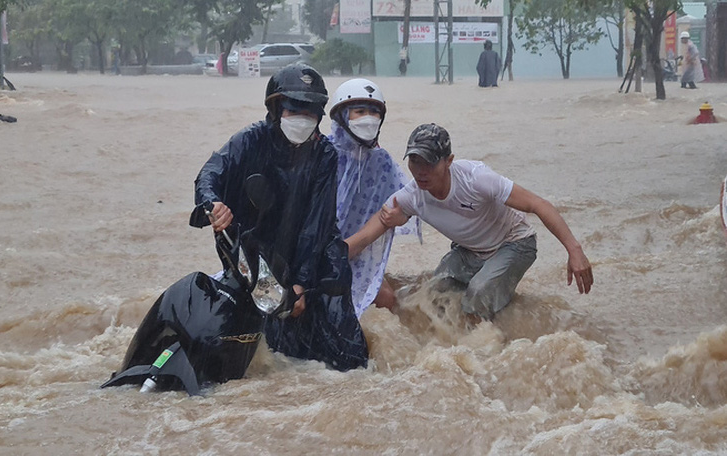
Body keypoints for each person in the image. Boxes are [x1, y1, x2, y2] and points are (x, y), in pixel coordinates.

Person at [192, 63, 368, 371]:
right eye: (294, 110)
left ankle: (349, 368)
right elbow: (210, 174)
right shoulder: (249, 140)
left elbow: (317, 222)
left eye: (310, 113)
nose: (302, 119)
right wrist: (213, 204)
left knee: (335, 274)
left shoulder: (324, 155)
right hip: (257, 246)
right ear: (275, 109)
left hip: (310, 252)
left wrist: (300, 283)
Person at [347, 123, 593, 323]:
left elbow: (539, 205)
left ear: (448, 161)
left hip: (514, 243)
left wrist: (574, 250)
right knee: (433, 294)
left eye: (429, 163)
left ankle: (486, 347)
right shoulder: (411, 196)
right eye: (415, 161)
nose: (421, 171)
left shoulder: (477, 180)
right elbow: (367, 235)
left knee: (477, 295)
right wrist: (333, 255)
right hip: (469, 250)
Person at [327, 78, 419, 317]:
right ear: (343, 116)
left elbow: (407, 203)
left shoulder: (383, 163)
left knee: (386, 299)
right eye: (360, 111)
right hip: (314, 255)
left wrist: (401, 215)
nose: (368, 117)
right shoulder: (320, 155)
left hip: (356, 251)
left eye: (374, 112)